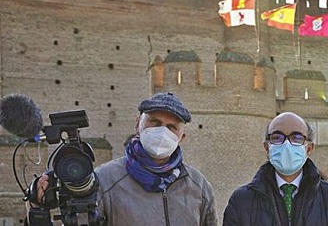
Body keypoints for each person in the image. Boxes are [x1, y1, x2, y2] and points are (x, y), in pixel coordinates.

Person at [27, 92, 218, 226]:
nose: (162, 132)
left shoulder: (198, 186)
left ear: (181, 137)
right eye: (155, 122)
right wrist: (36, 208)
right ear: (138, 124)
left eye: (172, 127)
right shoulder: (105, 179)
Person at [223, 112, 328, 226]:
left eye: (296, 138)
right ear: (267, 147)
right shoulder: (241, 201)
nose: (286, 144)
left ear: (309, 148)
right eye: (277, 137)